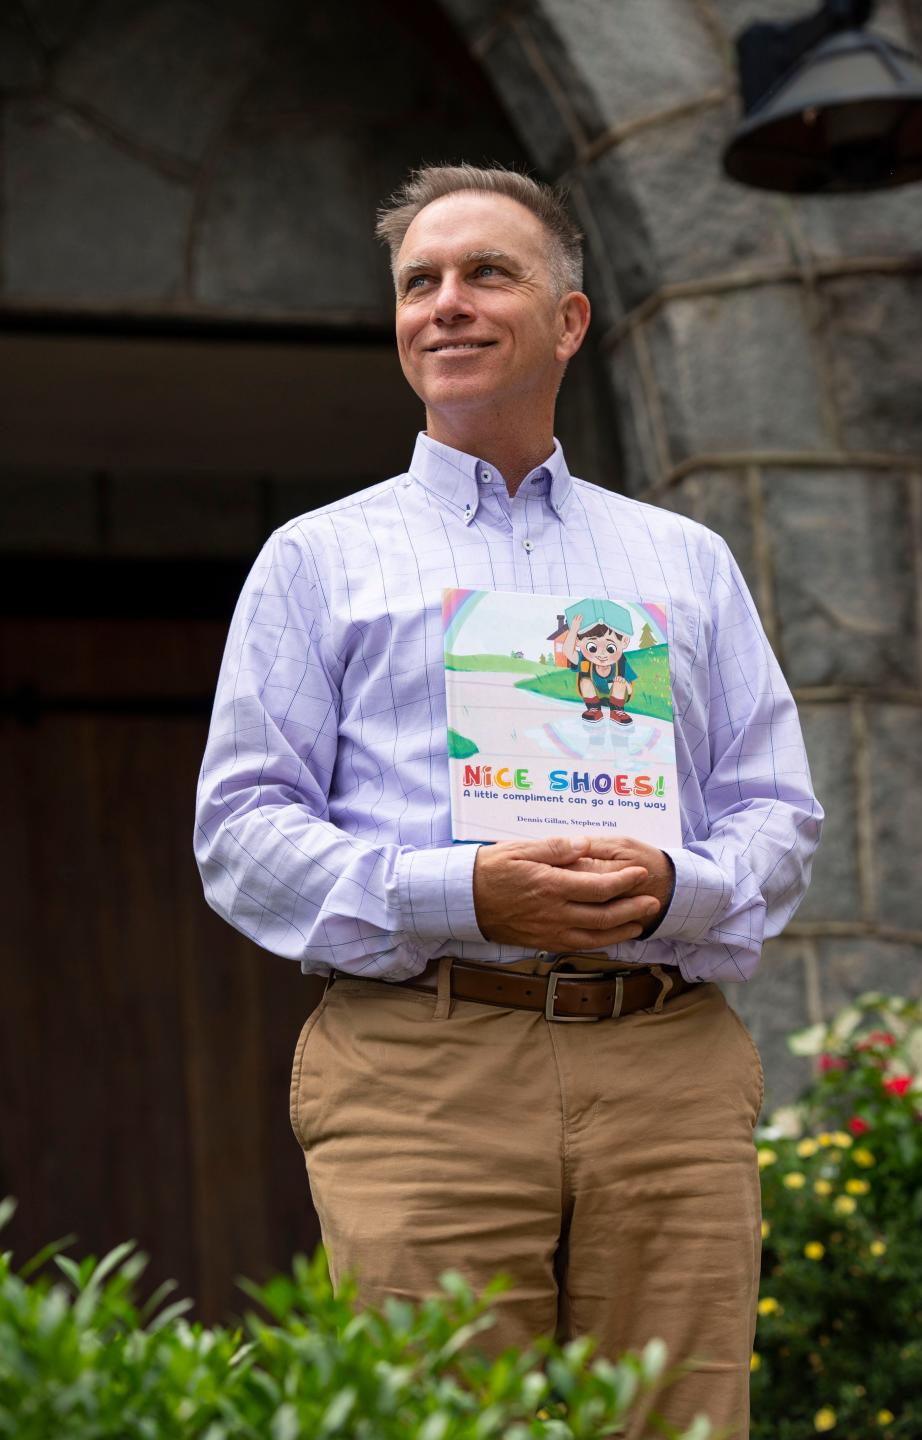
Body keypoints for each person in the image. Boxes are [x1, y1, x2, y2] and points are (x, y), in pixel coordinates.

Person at [194, 164, 823, 1439]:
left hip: (665, 1062)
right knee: (440, 1424)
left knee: (683, 1426)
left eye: (489, 274)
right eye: (420, 282)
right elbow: (243, 832)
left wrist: (678, 887)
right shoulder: (317, 558)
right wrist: (456, 886)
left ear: (570, 321)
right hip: (425, 1058)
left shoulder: (682, 560)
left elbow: (776, 812)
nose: (447, 304)